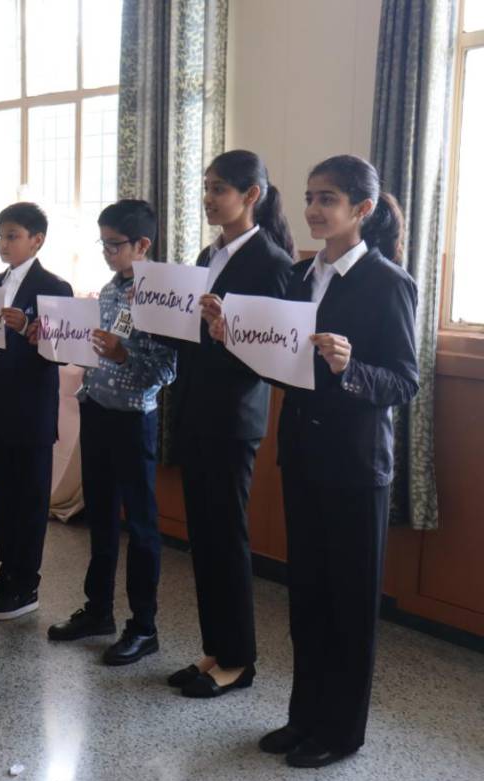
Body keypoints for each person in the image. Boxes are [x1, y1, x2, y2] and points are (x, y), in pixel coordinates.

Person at [207, 155, 418, 767]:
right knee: (308, 597)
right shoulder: (303, 275)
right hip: (301, 454)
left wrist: (351, 367)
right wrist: (233, 336)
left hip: (356, 466)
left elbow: (405, 381)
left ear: (362, 209)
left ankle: (341, 732)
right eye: (309, 197)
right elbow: (284, 363)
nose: (313, 209)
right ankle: (304, 718)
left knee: (349, 604)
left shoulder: (387, 282)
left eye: (328, 199)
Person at [168, 149, 295, 698]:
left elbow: (273, 354)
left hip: (232, 415)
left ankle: (239, 661)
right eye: (206, 187)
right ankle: (215, 648)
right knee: (204, 538)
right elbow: (194, 333)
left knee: (226, 538)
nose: (208, 198)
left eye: (219, 188)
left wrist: (226, 333)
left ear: (251, 195)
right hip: (196, 407)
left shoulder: (272, 263)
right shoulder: (209, 253)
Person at [44, 200, 177, 665]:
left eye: (115, 245)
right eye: (102, 244)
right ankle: (98, 609)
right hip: (97, 409)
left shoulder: (162, 296)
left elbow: (167, 369)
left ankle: (143, 627)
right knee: (99, 518)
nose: (107, 252)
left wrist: (124, 356)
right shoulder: (109, 288)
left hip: (133, 418)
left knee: (140, 526)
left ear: (143, 244)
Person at [0, 202, 73, 620]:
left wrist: (27, 328)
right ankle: (7, 572)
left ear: (36, 240)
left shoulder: (55, 287)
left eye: (13, 236)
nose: (4, 243)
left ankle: (27, 584)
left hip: (32, 408)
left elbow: (62, 351)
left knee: (30, 499)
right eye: (1, 235)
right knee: (4, 495)